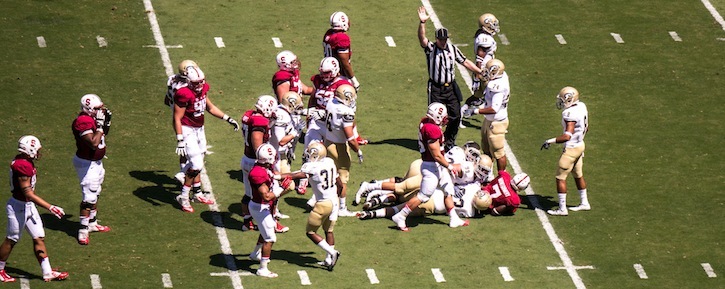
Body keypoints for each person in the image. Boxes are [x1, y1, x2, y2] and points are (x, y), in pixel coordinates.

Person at [390, 102, 468, 232]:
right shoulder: (431, 130)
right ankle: (400, 215)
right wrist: (449, 166)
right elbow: (436, 155)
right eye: (443, 116)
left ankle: (454, 218)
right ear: (436, 117)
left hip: (437, 165)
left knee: (448, 190)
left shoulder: (426, 122)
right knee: (423, 196)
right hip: (432, 167)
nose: (445, 118)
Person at [0, 136, 68, 283]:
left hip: (27, 205)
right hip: (18, 206)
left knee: (39, 236)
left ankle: (47, 272)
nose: (38, 153)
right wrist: (50, 207)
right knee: (12, 239)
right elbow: (28, 193)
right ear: (29, 150)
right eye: (36, 150)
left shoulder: (24, 161)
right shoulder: (22, 165)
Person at [173, 66, 240, 213]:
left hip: (199, 128)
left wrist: (227, 118)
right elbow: (177, 117)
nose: (200, 85)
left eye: (201, 82)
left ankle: (196, 192)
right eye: (196, 83)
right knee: (196, 164)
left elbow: (209, 107)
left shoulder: (203, 89)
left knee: (200, 157)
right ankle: (183, 197)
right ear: (189, 82)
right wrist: (180, 138)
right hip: (187, 129)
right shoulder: (183, 93)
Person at [418, 6, 483, 150]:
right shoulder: (431, 49)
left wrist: (479, 71)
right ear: (436, 39)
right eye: (440, 39)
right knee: (434, 117)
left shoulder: (452, 49)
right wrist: (422, 23)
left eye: (444, 39)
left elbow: (464, 61)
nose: (443, 41)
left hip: (451, 87)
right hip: (435, 87)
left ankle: (449, 140)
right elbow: (422, 39)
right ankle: (432, 141)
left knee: (456, 115)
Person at [280, 142, 341, 270]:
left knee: (310, 232)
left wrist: (276, 176)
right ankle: (328, 260)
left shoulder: (311, 167)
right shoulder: (329, 162)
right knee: (328, 230)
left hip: (323, 203)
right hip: (334, 200)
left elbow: (296, 175)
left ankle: (332, 253)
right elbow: (339, 183)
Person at [299, 57, 353, 194]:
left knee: (332, 156)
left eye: (327, 72)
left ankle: (329, 180)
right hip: (316, 120)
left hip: (333, 124)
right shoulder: (318, 80)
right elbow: (312, 97)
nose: (324, 75)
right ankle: (304, 178)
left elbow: (349, 109)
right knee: (310, 146)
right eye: (322, 72)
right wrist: (309, 114)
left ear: (335, 70)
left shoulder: (343, 84)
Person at [240, 95, 289, 233]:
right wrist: (266, 162)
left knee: (249, 194)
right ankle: (273, 223)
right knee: (270, 194)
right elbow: (258, 144)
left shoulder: (250, 115)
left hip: (246, 158)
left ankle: (246, 222)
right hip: (256, 162)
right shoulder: (259, 122)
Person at [247, 144, 295, 278]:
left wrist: (296, 175)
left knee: (265, 232)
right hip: (260, 207)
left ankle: (255, 253)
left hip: (264, 207)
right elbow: (266, 196)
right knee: (270, 237)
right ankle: (262, 268)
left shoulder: (263, 167)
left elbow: (276, 176)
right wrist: (281, 189)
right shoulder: (258, 173)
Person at [541, 87, 590, 216]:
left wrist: (550, 141)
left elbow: (567, 136)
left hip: (571, 149)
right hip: (580, 145)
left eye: (563, 99)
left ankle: (562, 208)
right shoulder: (582, 106)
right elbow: (587, 128)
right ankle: (584, 202)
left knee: (560, 178)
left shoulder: (569, 114)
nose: (561, 102)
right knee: (578, 174)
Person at [72, 94, 113, 245]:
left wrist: (105, 124)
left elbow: (102, 135)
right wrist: (101, 125)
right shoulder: (82, 121)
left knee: (96, 192)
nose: (100, 110)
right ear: (88, 109)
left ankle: (92, 223)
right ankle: (82, 230)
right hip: (86, 163)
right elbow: (93, 143)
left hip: (96, 162)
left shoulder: (92, 118)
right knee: (89, 198)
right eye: (97, 108)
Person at [324, 11, 368, 146]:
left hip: (329, 73)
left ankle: (336, 132)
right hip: (340, 76)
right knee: (349, 107)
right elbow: (344, 61)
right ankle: (353, 136)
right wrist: (353, 79)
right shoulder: (341, 38)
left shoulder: (329, 34)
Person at [322, 84, 363, 217]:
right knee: (343, 177)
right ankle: (342, 208)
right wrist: (358, 151)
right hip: (339, 146)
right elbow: (349, 137)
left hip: (327, 142)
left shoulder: (331, 102)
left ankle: (318, 200)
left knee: (331, 174)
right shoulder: (346, 111)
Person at [467, 59, 510, 172]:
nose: (485, 72)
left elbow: (494, 109)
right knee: (485, 147)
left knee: (498, 152)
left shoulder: (498, 87)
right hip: (489, 120)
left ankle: (502, 177)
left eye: (488, 71)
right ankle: (487, 175)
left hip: (497, 122)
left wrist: (476, 111)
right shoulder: (501, 76)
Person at [272, 51, 313, 167]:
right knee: (284, 146)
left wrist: (321, 90)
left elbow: (304, 89)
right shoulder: (282, 77)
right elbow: (284, 101)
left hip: (295, 115)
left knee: (291, 146)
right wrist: (302, 111)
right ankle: (279, 172)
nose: (296, 63)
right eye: (293, 62)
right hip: (286, 116)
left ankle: (285, 169)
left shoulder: (292, 74)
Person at [461, 13, 500, 121]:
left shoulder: (484, 36)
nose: (494, 26)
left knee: (478, 96)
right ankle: (489, 117)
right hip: (484, 72)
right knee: (493, 96)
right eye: (492, 24)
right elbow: (480, 58)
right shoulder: (484, 38)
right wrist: (478, 75)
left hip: (484, 70)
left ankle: (463, 110)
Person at [166, 60, 199, 183]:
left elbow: (166, 99)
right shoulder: (185, 89)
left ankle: (184, 173)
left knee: (185, 151)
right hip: (184, 119)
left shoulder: (171, 80)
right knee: (191, 152)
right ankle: (183, 174)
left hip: (176, 116)